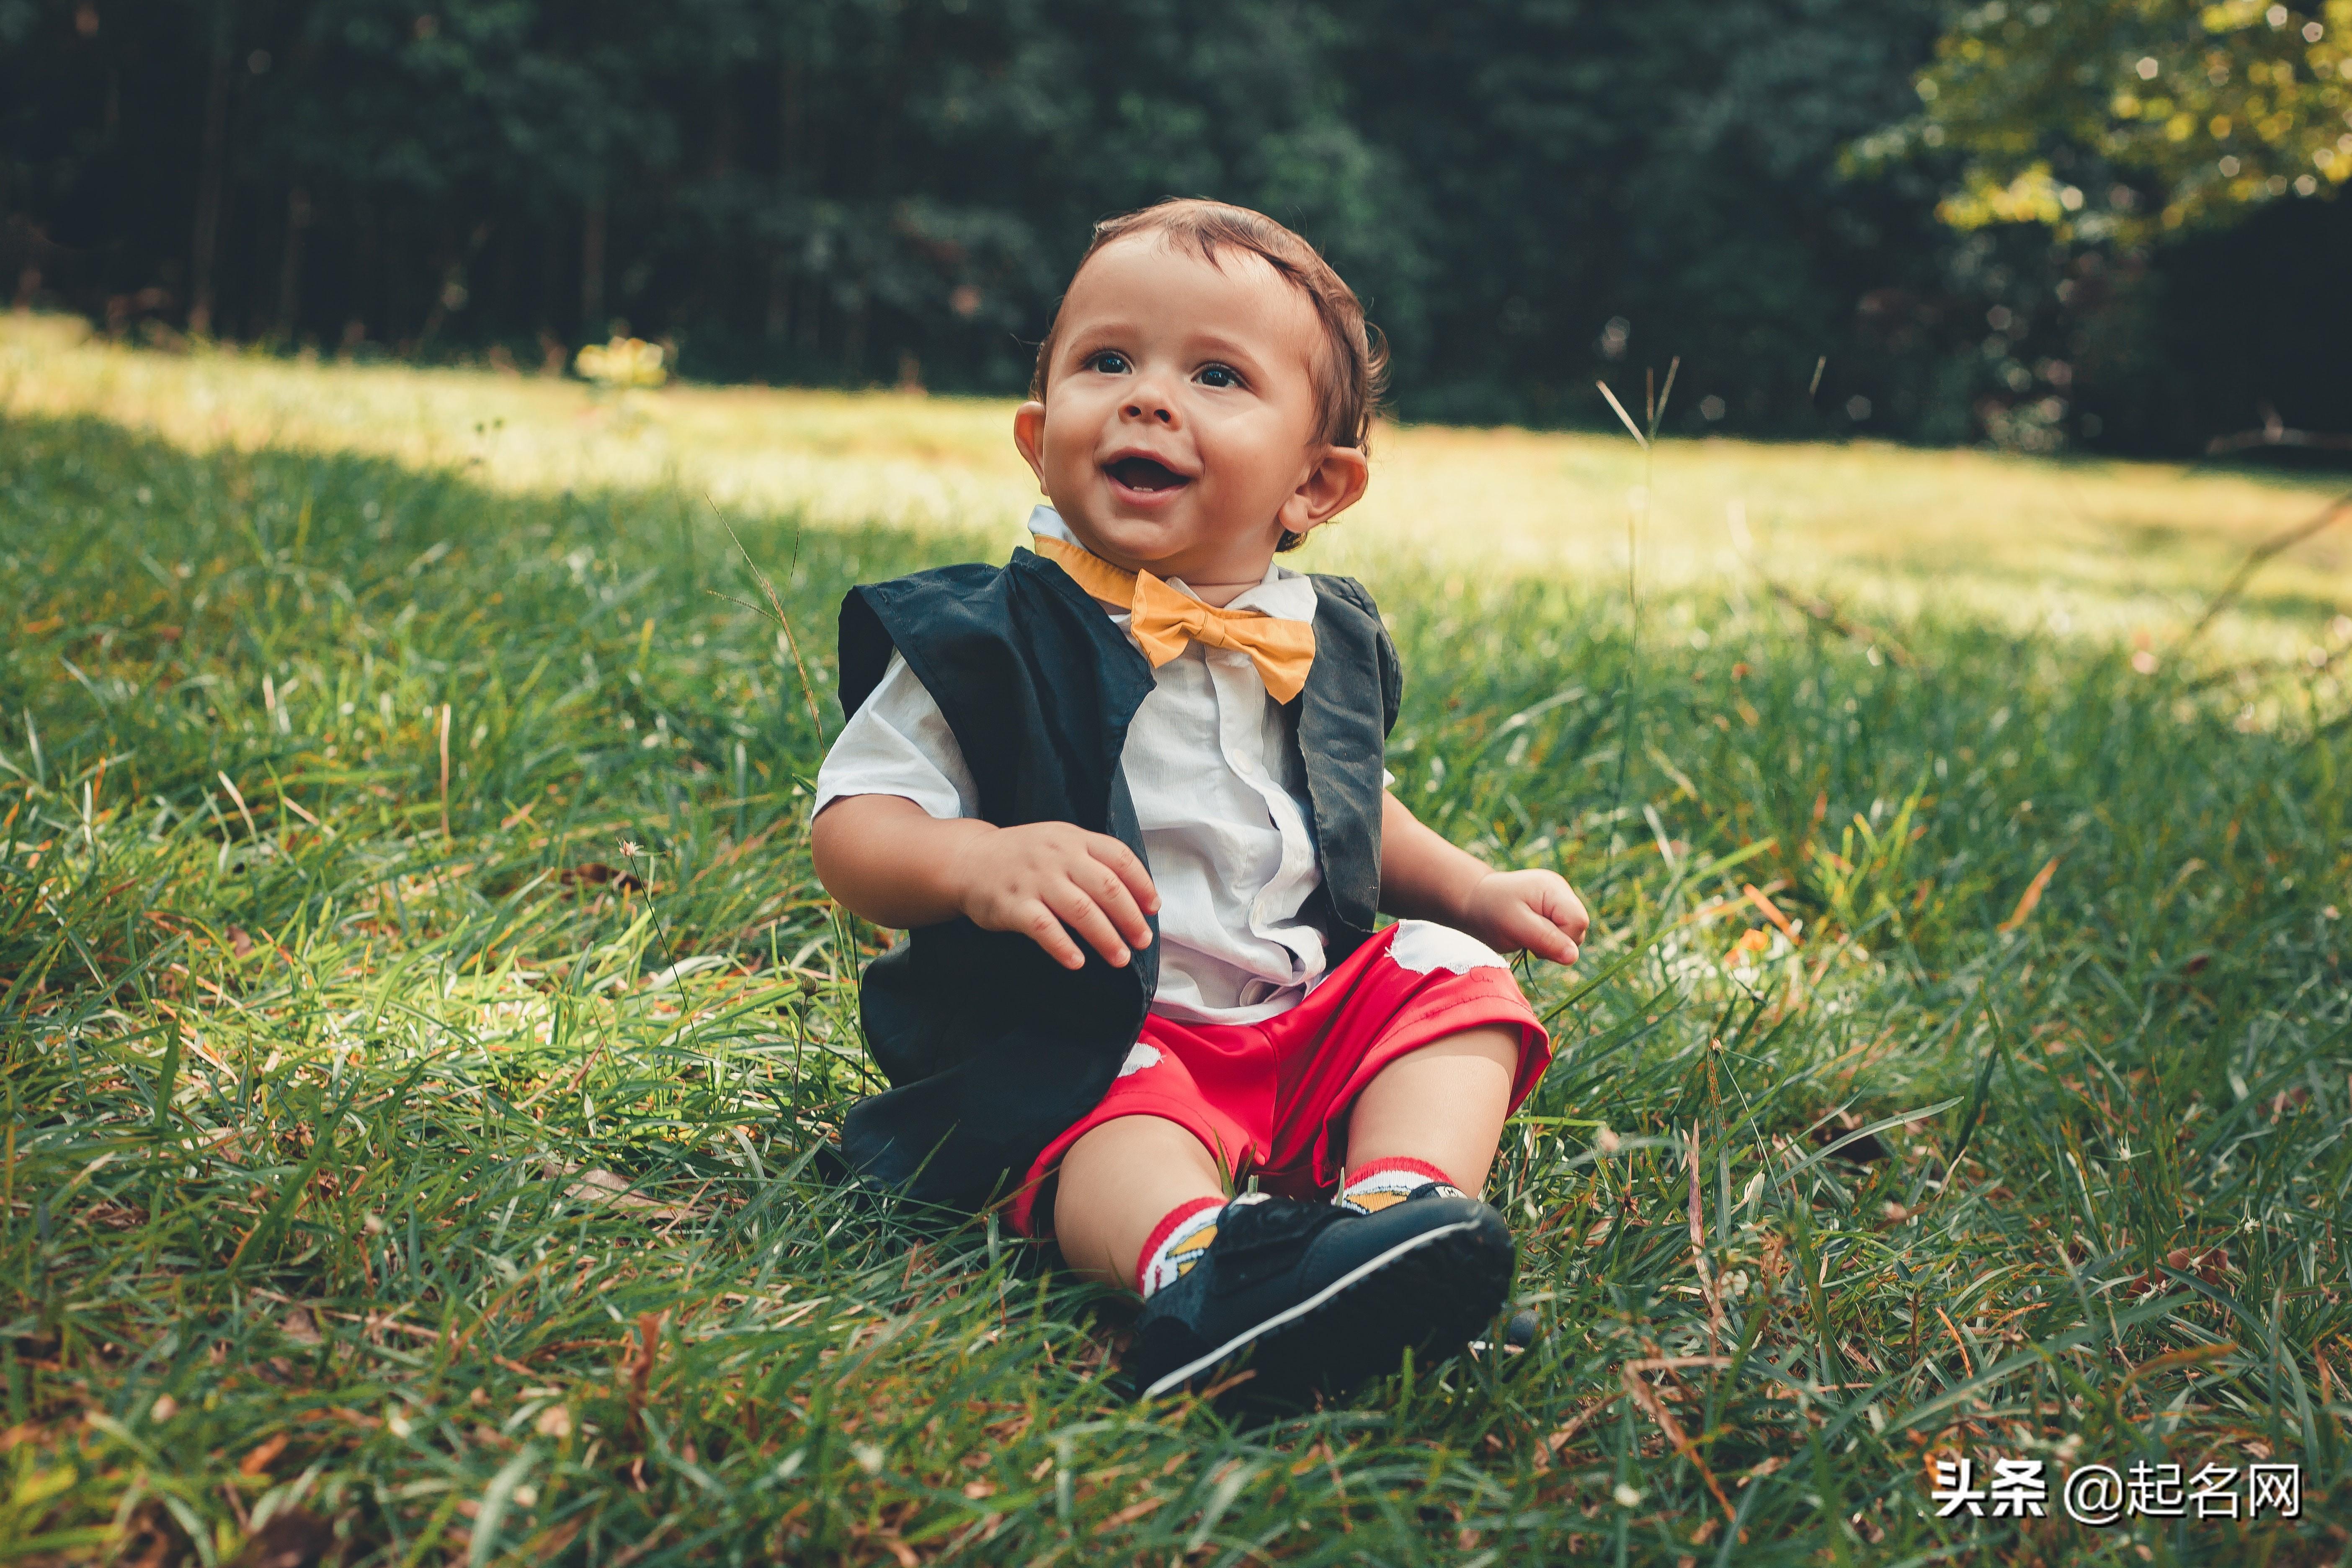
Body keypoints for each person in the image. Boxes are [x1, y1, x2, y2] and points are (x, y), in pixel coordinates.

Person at [810, 198, 1588, 1403]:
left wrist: (1476, 890)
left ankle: (1396, 1218)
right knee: (1109, 1109)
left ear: (1317, 487)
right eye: (1106, 362)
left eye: (1216, 375)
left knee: (1448, 975)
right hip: (1090, 1029)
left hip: (1294, 1017)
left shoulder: (1316, 638)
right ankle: (1205, 1267)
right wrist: (979, 864)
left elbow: (1353, 807)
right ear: (1037, 432)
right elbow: (857, 832)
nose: (1148, 397)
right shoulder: (983, 638)